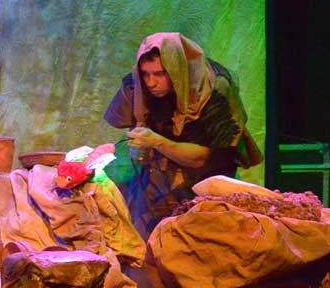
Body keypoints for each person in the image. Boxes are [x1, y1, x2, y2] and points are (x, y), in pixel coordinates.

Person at [103, 31, 259, 237]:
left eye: (159, 74)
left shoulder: (213, 88)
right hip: (161, 178)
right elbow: (129, 122)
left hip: (209, 176)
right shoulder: (137, 84)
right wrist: (138, 146)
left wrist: (158, 142)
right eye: (146, 74)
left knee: (208, 235)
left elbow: (204, 158)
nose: (150, 82)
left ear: (176, 70)